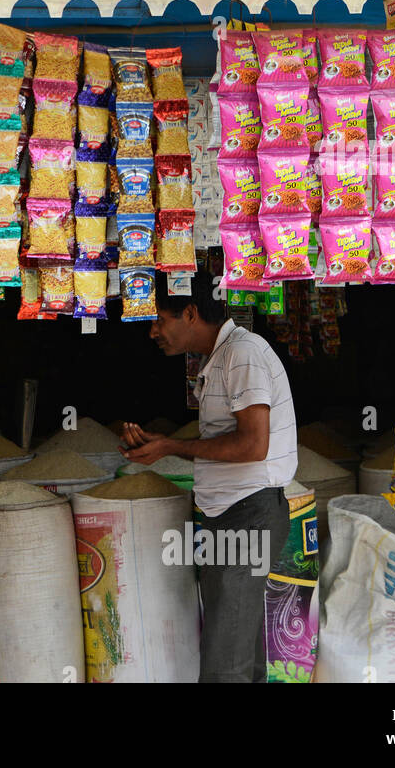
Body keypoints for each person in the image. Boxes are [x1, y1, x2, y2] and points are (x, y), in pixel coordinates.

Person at [118, 270, 295, 683]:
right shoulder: (221, 357)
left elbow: (253, 445)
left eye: (159, 320)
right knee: (238, 647)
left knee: (224, 659)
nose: (153, 333)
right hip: (231, 514)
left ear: (191, 313)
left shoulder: (242, 354)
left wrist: (171, 447)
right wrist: (162, 444)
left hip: (248, 514)